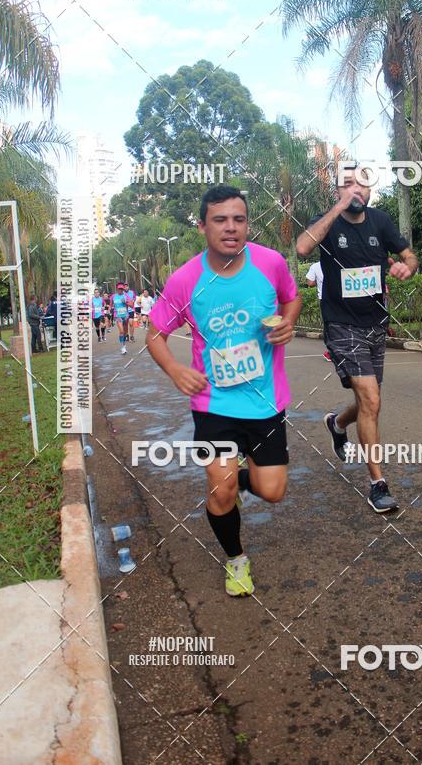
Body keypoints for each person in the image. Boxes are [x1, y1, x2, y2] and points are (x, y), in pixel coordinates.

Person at [147, 185, 301, 597]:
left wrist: (288, 322)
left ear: (247, 223)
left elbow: (292, 299)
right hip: (214, 404)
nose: (231, 228)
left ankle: (239, 477)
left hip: (266, 401)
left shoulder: (269, 263)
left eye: (239, 219)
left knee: (272, 491)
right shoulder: (185, 280)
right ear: (202, 226)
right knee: (221, 488)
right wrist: (176, 371)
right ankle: (236, 559)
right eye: (220, 220)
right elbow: (155, 334)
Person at [296, 165, 418, 513]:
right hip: (342, 324)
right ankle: (378, 484)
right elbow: (303, 247)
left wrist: (407, 265)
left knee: (370, 402)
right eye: (347, 184)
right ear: (336, 191)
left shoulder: (381, 221)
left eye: (361, 183)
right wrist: (336, 210)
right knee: (371, 399)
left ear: (370, 189)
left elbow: (410, 254)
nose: (355, 189)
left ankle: (337, 423)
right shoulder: (328, 221)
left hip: (376, 323)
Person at [112, 283, 130, 355]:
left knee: (125, 332)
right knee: (121, 331)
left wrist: (125, 302)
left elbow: (131, 305)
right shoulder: (113, 296)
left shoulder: (126, 296)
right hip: (118, 315)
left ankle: (124, 344)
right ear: (117, 289)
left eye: (122, 289)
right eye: (119, 289)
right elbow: (111, 305)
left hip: (125, 315)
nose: (120, 290)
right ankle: (122, 347)